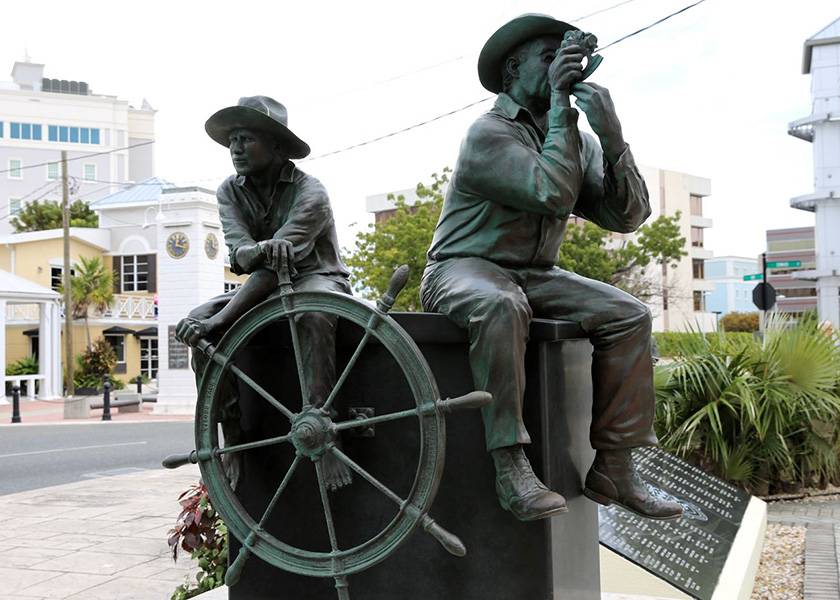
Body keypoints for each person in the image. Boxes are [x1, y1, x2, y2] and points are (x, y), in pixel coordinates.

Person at [420, 14, 683, 522]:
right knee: (500, 303)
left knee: (628, 314)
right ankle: (509, 463)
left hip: (536, 274)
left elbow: (625, 216)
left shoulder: (574, 139)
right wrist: (564, 110)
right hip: (462, 269)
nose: (565, 66)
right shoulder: (487, 134)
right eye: (550, 57)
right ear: (512, 70)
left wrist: (611, 136)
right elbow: (550, 192)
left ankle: (615, 466)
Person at [175, 96, 352, 490]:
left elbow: (276, 266)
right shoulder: (229, 192)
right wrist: (215, 320)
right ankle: (233, 439)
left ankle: (323, 430)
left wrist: (226, 313)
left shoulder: (312, 193)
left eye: (247, 138)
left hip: (318, 279)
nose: (236, 148)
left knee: (312, 313)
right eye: (233, 140)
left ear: (276, 145)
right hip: (263, 286)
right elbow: (240, 256)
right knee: (201, 328)